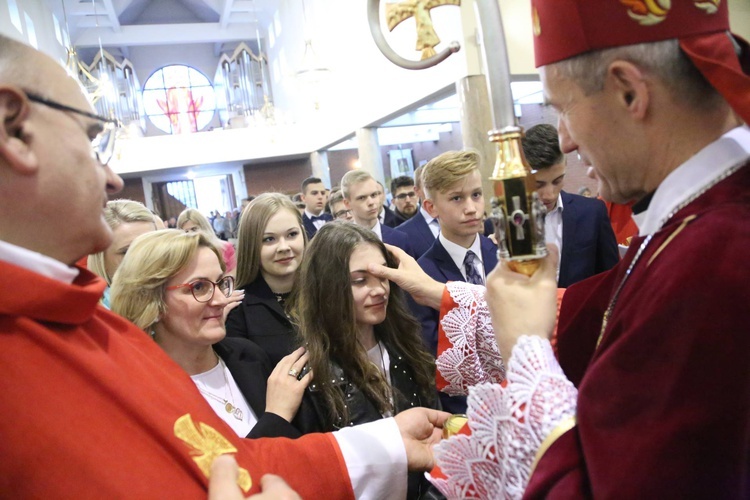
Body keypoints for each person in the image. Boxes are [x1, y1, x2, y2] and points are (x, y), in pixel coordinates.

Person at [0, 34, 448, 498]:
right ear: (12, 128)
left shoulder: (92, 326)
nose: (112, 178)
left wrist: (389, 442)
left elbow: (230, 465)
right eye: (92, 141)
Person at [370, 0, 750, 497]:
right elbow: (601, 316)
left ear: (630, 91)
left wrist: (526, 350)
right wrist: (444, 294)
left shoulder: (718, 253)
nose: (565, 141)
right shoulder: (698, 222)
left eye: (563, 107)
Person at [111, 229, 310, 439]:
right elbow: (214, 469)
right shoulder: (141, 393)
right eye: (198, 287)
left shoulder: (248, 356)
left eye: (220, 283)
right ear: (151, 301)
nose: (221, 300)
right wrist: (276, 417)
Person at [290, 221, 439, 499]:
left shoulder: (407, 348)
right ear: (328, 287)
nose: (380, 290)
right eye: (360, 281)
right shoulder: (309, 376)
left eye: (382, 276)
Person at [415, 150, 498, 413]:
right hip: (462, 409)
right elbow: (433, 356)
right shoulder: (422, 275)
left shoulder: (504, 257)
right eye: (456, 198)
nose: (471, 207)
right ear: (431, 207)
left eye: (476, 194)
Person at [522, 123, 619, 287]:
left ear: (565, 166)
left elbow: (612, 281)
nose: (549, 194)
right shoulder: (505, 223)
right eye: (538, 185)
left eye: (557, 181)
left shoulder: (592, 214)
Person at [226, 193, 306, 366]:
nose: (284, 247)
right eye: (269, 239)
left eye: (292, 234)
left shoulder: (326, 292)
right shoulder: (236, 310)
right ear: (251, 245)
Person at [87, 199, 157, 308]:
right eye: (127, 252)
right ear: (101, 260)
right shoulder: (90, 316)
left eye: (152, 248)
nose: (145, 259)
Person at [341, 169, 414, 257]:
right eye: (362, 198)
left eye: (374, 195)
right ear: (347, 203)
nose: (371, 202)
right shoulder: (339, 245)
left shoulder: (400, 239)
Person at [177, 208, 237, 277]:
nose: (191, 234)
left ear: (204, 227)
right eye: (186, 231)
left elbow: (234, 273)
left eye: (194, 229)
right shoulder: (180, 256)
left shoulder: (225, 248)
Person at [397, 164, 440, 258]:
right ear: (417, 191)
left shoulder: (459, 220)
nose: (437, 189)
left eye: (441, 183)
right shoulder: (402, 234)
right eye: (429, 185)